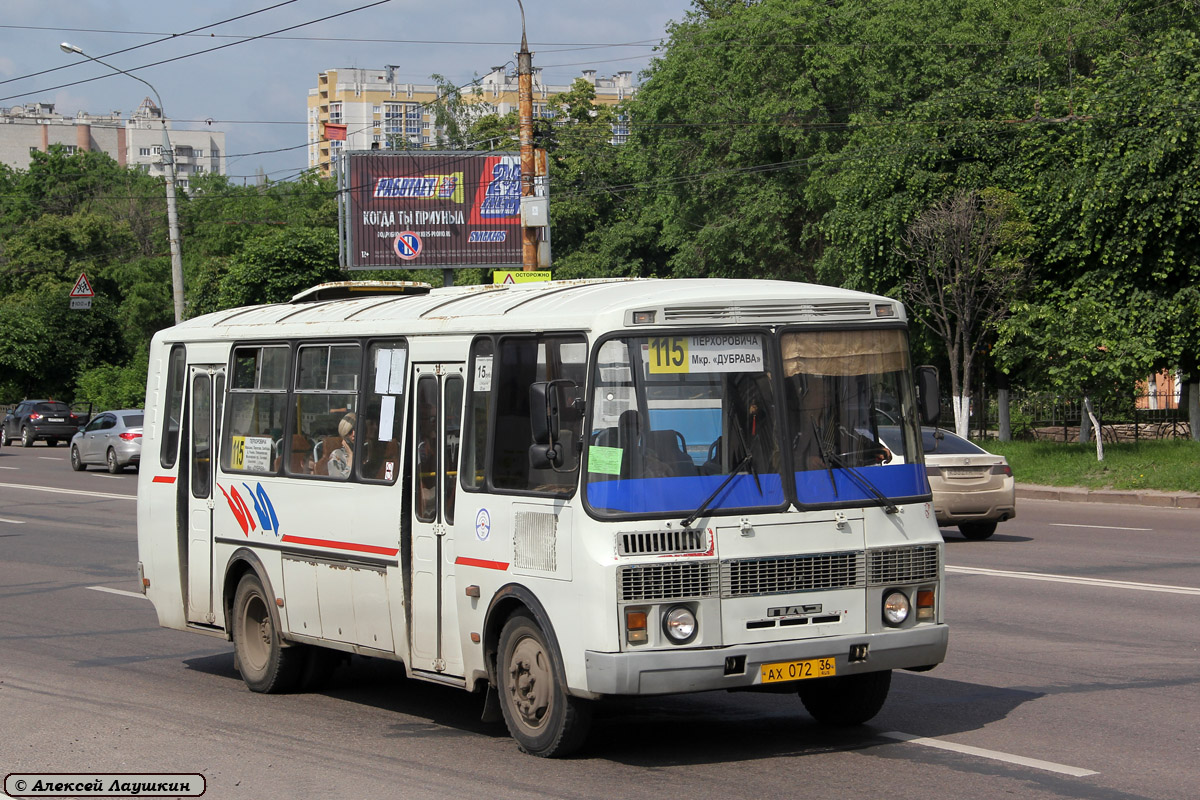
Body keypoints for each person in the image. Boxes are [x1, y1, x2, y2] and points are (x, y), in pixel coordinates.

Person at [327, 412, 356, 478]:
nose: (353, 434)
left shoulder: (365, 454)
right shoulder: (337, 455)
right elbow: (338, 483)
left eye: (356, 430)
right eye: (350, 431)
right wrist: (351, 456)